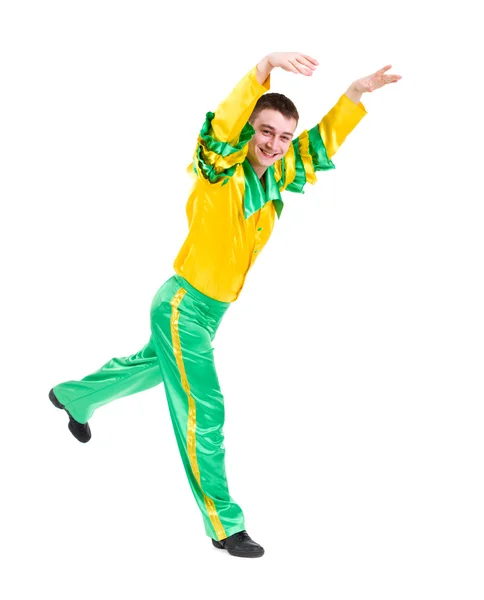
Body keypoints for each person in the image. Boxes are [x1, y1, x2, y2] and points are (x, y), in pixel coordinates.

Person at [49, 52, 402, 558]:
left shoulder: (274, 176)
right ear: (251, 128)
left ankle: (73, 397)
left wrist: (356, 93)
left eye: (284, 136)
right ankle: (223, 523)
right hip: (182, 307)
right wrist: (263, 67)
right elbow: (221, 128)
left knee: (150, 369)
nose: (276, 145)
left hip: (210, 314)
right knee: (204, 409)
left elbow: (320, 145)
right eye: (266, 131)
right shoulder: (220, 168)